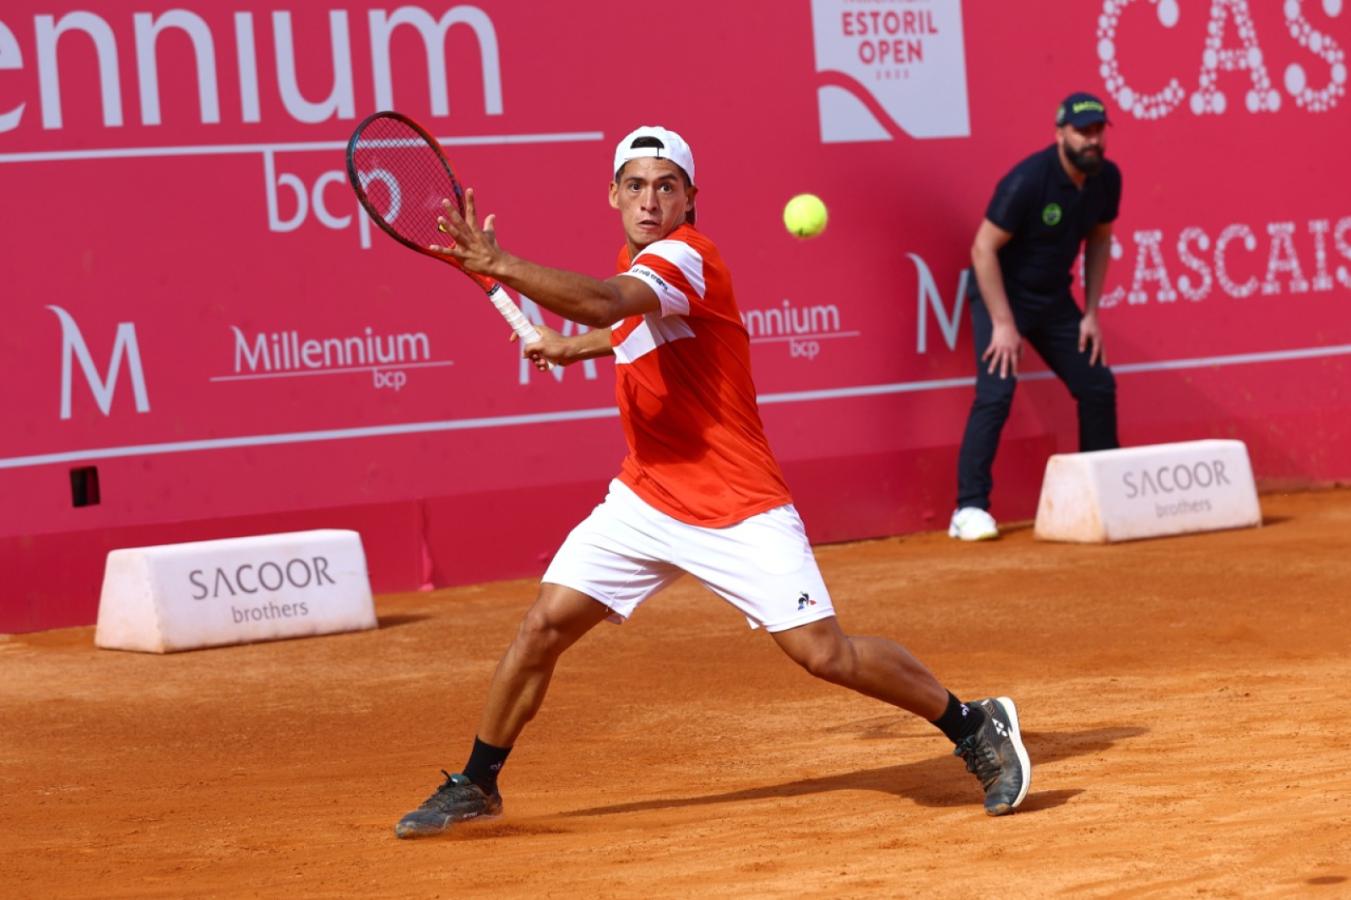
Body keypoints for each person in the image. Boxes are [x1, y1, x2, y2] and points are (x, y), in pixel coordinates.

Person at [394, 126, 1030, 837]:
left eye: (666, 186)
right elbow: (631, 328)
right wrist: (571, 348)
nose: (649, 200)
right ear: (612, 194)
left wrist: (499, 263)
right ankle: (478, 782)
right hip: (645, 496)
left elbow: (609, 303)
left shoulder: (687, 257)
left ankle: (973, 723)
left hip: (736, 503)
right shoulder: (645, 263)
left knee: (825, 655)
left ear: (690, 200)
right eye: (634, 185)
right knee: (543, 625)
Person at [949, 92, 1122, 542]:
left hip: (1052, 299)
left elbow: (1100, 240)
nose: (1092, 139)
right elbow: (982, 249)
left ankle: (1103, 494)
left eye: (1098, 130)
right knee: (997, 391)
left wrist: (1090, 313)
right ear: (1060, 133)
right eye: (1082, 131)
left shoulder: (1107, 179)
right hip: (999, 294)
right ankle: (969, 508)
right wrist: (1003, 323)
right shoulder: (1027, 180)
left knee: (1097, 384)